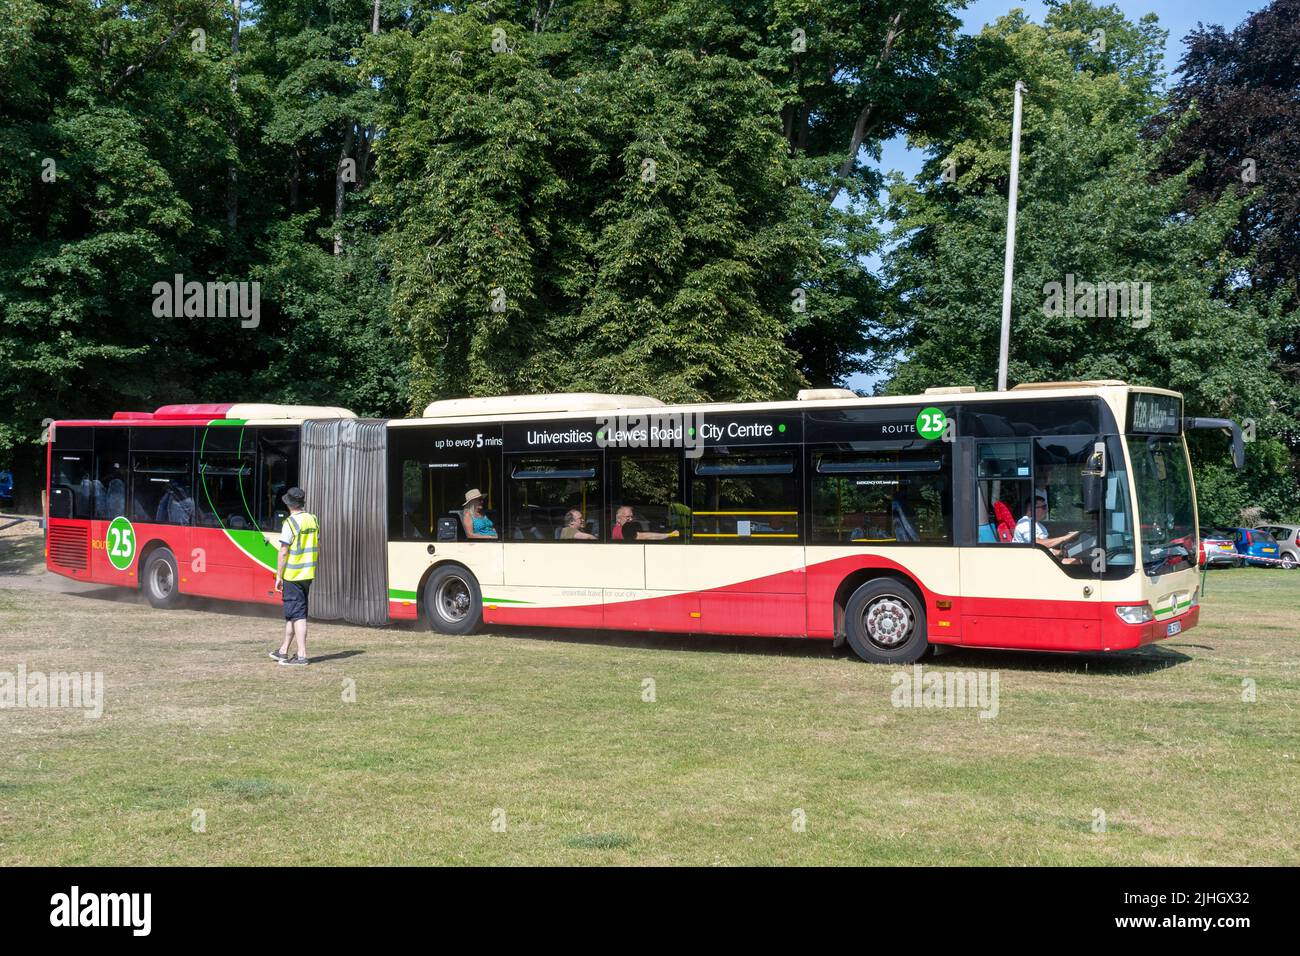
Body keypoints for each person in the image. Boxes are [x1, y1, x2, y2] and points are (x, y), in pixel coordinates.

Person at [270, 487, 317, 666]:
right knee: (294, 612)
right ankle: (283, 651)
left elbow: (283, 552)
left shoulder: (290, 523)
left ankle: (302, 655)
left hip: (293, 574)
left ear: (289, 504)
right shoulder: (313, 519)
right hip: (307, 573)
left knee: (298, 615)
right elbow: (316, 544)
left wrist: (279, 576)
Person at [1013, 490, 1079, 550]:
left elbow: (1047, 549)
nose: (1047, 510)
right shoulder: (1024, 524)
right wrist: (1066, 537)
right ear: (1032, 509)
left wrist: (1063, 552)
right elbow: (1038, 544)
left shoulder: (1039, 525)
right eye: (1044, 507)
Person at [612, 504, 677, 541]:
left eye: (631, 516)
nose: (631, 519)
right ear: (618, 519)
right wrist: (670, 535)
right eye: (627, 517)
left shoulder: (617, 528)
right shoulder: (625, 529)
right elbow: (646, 536)